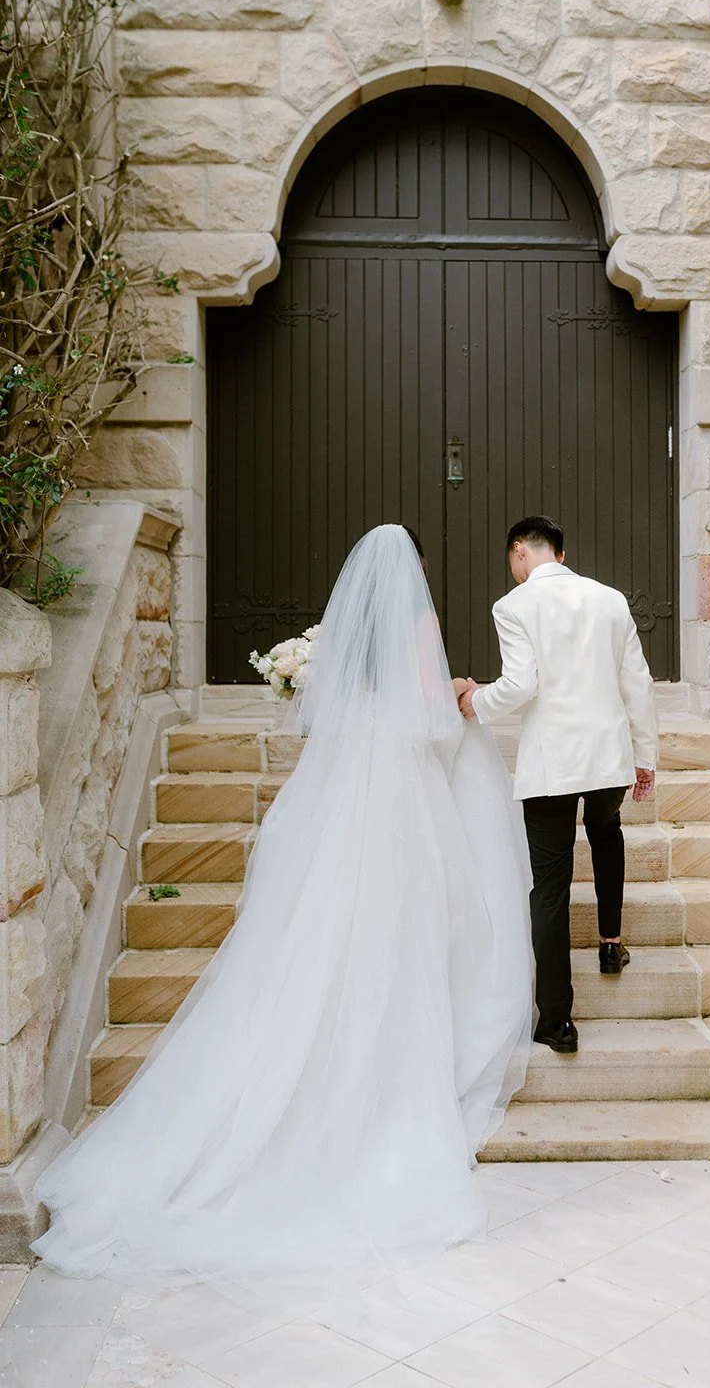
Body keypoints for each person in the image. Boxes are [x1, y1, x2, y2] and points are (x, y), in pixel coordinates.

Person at [32, 525, 533, 1291]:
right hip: (401, 799)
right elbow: (431, 720)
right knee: (404, 929)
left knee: (317, 930)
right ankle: (385, 1074)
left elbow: (326, 713)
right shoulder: (418, 624)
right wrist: (460, 694)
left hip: (336, 800)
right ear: (414, 577)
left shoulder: (338, 633)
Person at [457, 516, 658, 1055]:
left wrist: (475, 701)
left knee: (549, 888)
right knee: (606, 832)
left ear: (519, 550)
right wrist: (646, 755)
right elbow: (635, 681)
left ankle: (557, 1021)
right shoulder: (611, 600)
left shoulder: (513, 606)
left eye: (512, 559)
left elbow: (521, 686)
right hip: (609, 754)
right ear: (561, 556)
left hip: (552, 764)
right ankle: (611, 945)